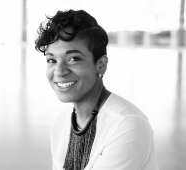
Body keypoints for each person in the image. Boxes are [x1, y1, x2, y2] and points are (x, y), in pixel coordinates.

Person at [35, 9, 159, 170]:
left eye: (73, 59)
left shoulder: (127, 124)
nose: (59, 71)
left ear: (101, 65)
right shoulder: (61, 123)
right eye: (51, 60)